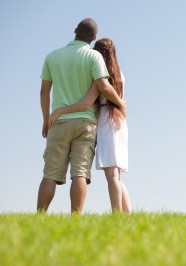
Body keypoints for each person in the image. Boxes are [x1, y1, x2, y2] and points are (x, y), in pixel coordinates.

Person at [38, 18, 125, 214]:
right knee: (79, 174)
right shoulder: (94, 57)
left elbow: (44, 92)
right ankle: (76, 218)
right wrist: (121, 103)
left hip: (58, 122)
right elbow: (103, 86)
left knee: (50, 174)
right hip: (86, 123)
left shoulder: (52, 56)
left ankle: (39, 216)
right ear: (93, 38)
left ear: (74, 30)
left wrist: (46, 119)